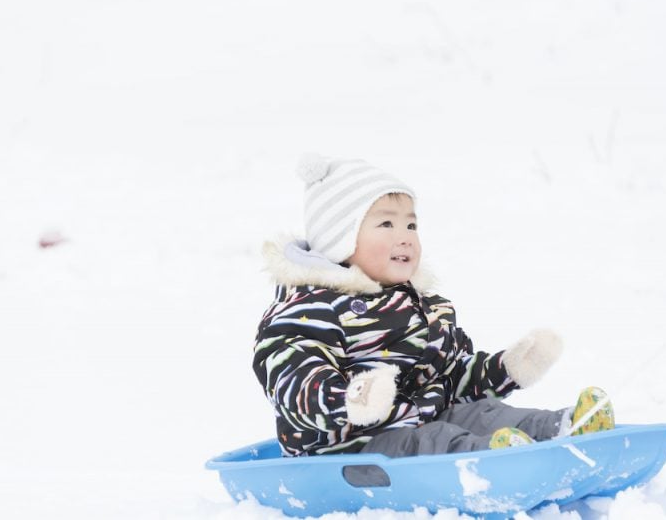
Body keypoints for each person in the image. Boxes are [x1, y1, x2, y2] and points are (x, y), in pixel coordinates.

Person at [252, 155, 614, 464]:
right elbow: (289, 376)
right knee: (435, 441)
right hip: (352, 448)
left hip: (422, 420)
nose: (405, 235)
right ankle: (497, 461)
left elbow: (452, 376)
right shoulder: (311, 309)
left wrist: (506, 369)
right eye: (386, 224)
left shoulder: (423, 307)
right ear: (339, 240)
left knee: (486, 414)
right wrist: (348, 398)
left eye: (411, 224)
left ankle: (565, 430)